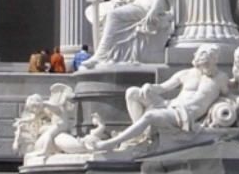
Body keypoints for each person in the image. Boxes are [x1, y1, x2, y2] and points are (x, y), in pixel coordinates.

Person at [93, 46, 228, 152]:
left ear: (215, 60)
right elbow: (162, 88)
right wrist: (149, 87)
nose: (204, 67)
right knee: (132, 92)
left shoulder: (221, 78)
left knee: (150, 115)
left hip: (183, 115)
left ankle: (111, 143)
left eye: (207, 63)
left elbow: (231, 95)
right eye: (201, 63)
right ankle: (141, 136)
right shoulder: (185, 74)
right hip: (170, 105)